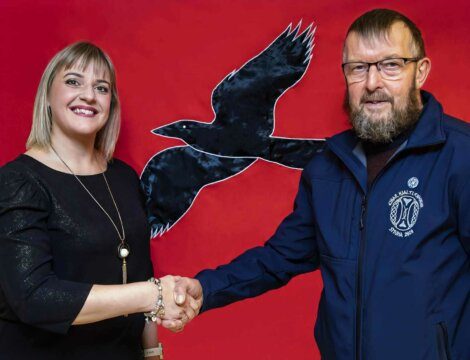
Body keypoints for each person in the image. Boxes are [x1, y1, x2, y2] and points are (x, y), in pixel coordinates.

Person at [165, 9, 470, 360]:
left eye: (390, 65)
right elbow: (278, 258)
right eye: (358, 68)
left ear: (421, 72)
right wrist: (205, 289)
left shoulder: (461, 157)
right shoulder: (327, 166)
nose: (372, 84)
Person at [0, 42, 201, 360]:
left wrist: (152, 351)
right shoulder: (18, 181)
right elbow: (34, 297)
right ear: (48, 98)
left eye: (101, 87)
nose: (89, 95)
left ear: (111, 103)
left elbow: (139, 271)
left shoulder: (123, 177)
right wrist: (153, 295)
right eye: (73, 82)